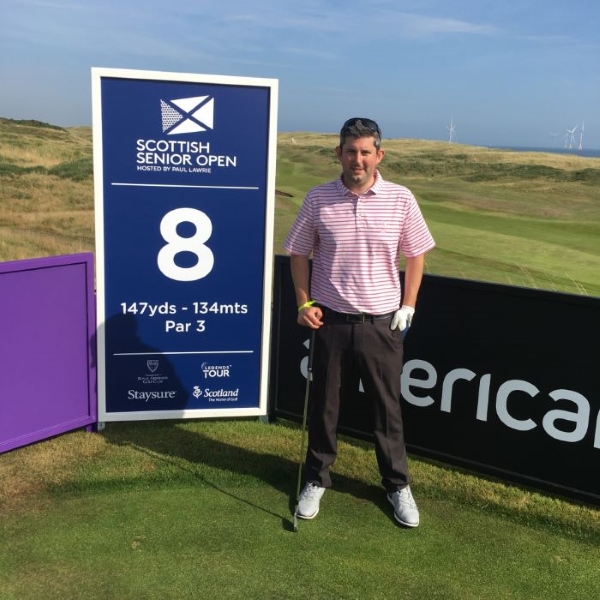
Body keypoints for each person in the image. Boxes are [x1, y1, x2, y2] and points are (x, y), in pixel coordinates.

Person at [283, 117, 435, 528]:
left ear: (378, 155)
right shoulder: (318, 199)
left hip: (382, 324)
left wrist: (410, 304)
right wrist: (303, 303)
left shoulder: (401, 198)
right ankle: (316, 479)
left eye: (366, 151)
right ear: (339, 153)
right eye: (350, 151)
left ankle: (397, 484)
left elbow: (415, 253)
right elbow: (298, 252)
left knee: (387, 411)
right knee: (325, 408)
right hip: (330, 321)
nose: (358, 159)